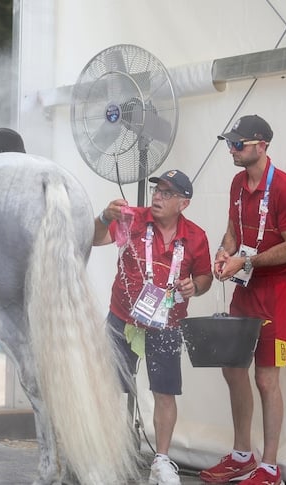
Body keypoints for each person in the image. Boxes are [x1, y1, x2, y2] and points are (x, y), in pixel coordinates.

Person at [201, 115, 286, 485]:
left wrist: (248, 261)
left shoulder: (285, 188)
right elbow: (232, 231)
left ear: (262, 145)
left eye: (238, 143)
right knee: (232, 369)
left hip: (276, 294)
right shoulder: (236, 183)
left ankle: (270, 467)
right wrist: (223, 254)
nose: (231, 148)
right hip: (244, 289)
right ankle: (242, 455)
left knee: (266, 379)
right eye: (229, 142)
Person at [93, 169, 212, 485]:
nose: (158, 196)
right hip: (123, 316)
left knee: (165, 391)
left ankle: (161, 461)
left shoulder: (196, 237)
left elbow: (205, 278)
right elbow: (95, 238)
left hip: (166, 323)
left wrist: (194, 288)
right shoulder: (132, 219)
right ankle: (105, 455)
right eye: (157, 190)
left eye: (167, 193)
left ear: (183, 204)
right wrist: (105, 216)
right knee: (108, 388)